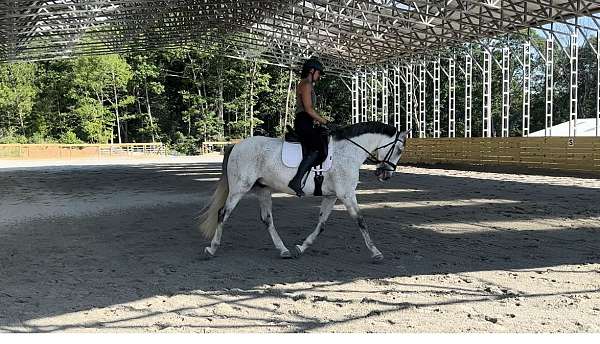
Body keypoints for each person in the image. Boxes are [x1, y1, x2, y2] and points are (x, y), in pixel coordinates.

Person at [287, 57, 329, 197]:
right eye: (319, 73)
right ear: (312, 71)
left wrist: (318, 122)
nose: (319, 76)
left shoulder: (308, 85)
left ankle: (318, 180)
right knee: (317, 148)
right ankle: (296, 180)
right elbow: (309, 109)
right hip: (303, 122)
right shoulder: (305, 85)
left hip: (308, 121)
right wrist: (325, 122)